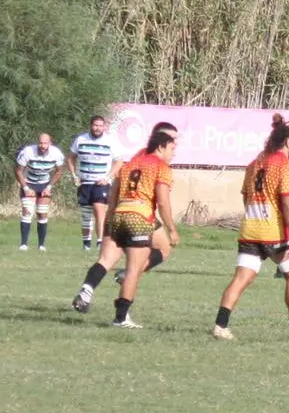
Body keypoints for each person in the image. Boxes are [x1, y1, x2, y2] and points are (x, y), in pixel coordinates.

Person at [213, 117, 289, 341]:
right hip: (274, 232)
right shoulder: (286, 166)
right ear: (288, 142)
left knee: (241, 278)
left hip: (250, 230)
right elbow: (288, 202)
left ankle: (220, 326)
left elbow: (246, 196)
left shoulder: (255, 163)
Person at [73, 124, 178, 327]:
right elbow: (163, 202)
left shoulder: (132, 163)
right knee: (133, 270)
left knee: (106, 259)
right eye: (173, 147)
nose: (174, 152)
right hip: (139, 217)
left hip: (119, 213)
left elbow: (114, 192)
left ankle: (86, 291)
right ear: (161, 145)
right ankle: (121, 318)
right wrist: (172, 229)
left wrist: (109, 219)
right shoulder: (161, 166)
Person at [68, 115, 116, 249]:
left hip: (101, 182)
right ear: (91, 125)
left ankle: (100, 242)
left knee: (99, 209)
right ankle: (86, 244)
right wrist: (74, 175)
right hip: (85, 182)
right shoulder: (81, 139)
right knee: (86, 214)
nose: (98, 128)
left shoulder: (110, 141)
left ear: (104, 127)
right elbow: (71, 157)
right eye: (95, 125)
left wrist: (108, 177)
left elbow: (119, 161)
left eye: (101, 126)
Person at [15, 133, 65, 252]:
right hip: (29, 182)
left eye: (45, 143)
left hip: (44, 184)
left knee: (42, 213)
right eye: (40, 143)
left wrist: (49, 187)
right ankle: (24, 244)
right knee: (27, 212)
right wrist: (26, 188)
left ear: (50, 143)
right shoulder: (28, 151)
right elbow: (18, 171)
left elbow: (59, 171)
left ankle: (41, 245)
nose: (42, 146)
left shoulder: (56, 153)